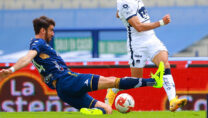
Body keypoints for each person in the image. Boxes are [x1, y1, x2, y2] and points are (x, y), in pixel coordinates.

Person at [0, 16, 164, 115]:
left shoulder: (38, 47)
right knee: (113, 81)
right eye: (51, 30)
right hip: (69, 81)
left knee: (107, 110)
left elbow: (43, 73)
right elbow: (28, 57)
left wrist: (49, 79)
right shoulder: (38, 43)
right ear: (42, 30)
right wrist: (12, 70)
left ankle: (93, 112)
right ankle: (153, 82)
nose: (53, 34)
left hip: (63, 91)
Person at [105, 0, 187, 112]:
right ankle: (113, 89)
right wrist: (161, 22)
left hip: (151, 39)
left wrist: (122, 14)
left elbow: (119, 13)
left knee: (164, 63)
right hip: (137, 44)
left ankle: (173, 100)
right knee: (135, 79)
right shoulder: (124, 2)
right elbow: (139, 27)